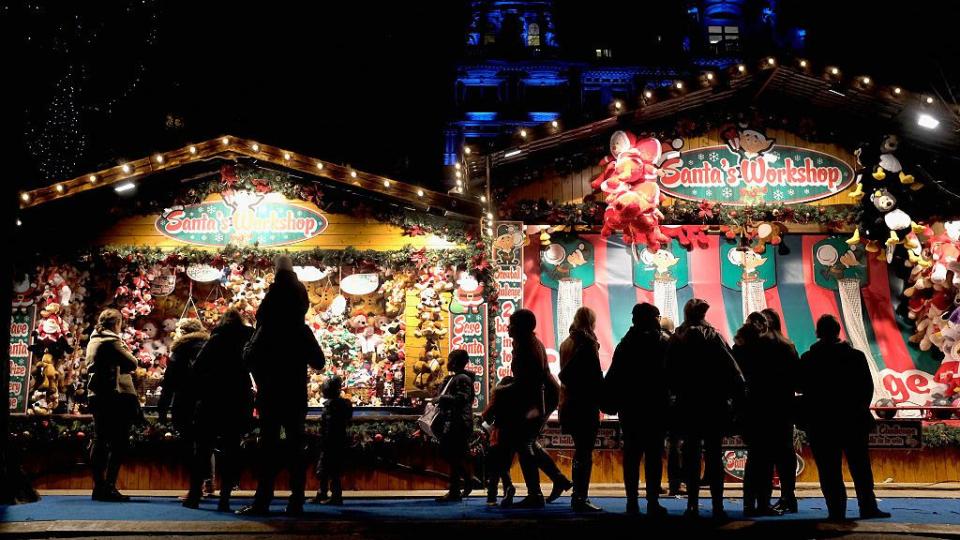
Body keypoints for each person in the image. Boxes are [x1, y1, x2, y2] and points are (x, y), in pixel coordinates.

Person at [238, 255, 325, 516]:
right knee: (294, 446)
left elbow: (247, 357)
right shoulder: (301, 329)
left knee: (269, 447)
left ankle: (263, 500)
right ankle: (296, 499)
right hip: (295, 395)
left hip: (271, 395)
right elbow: (318, 362)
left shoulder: (267, 327)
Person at [800, 315, 890, 522]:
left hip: (821, 422)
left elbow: (800, 387)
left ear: (818, 333)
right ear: (838, 331)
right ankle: (867, 506)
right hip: (852, 420)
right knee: (860, 467)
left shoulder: (808, 358)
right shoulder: (855, 356)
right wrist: (858, 409)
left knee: (828, 470)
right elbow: (867, 388)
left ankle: (836, 510)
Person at [668, 299, 744, 520]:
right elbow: (734, 372)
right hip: (713, 404)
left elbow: (667, 371)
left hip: (687, 403)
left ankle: (692, 504)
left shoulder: (677, 339)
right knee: (714, 455)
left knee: (691, 455)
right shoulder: (715, 337)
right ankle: (718, 505)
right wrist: (737, 401)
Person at [604, 303, 669, 516]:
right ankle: (652, 501)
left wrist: (611, 402)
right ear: (653, 319)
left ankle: (632, 502)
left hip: (630, 408)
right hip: (655, 407)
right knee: (653, 456)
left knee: (632, 456)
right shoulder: (662, 344)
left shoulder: (625, 345)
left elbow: (613, 377)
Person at [187, 309, 254, 512]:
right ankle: (224, 498)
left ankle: (195, 495)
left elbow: (197, 368)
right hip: (237, 400)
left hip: (212, 399)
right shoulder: (247, 341)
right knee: (231, 449)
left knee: (203, 449)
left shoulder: (215, 340)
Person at [506, 309, 571, 508]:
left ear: (519, 327)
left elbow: (533, 382)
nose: (508, 327)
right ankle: (559, 479)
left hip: (539, 398)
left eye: (511, 324)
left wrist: (534, 408)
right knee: (529, 441)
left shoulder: (528, 347)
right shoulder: (524, 343)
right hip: (540, 396)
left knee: (523, 443)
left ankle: (535, 494)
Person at [733, 312, 791, 516]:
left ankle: (749, 503)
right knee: (765, 461)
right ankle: (764, 503)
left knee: (754, 459)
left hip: (751, 412)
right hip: (772, 411)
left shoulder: (740, 351)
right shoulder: (772, 349)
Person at [85, 308, 140, 502]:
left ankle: (99, 485)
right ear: (117, 323)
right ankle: (109, 486)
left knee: (100, 440)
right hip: (113, 396)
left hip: (96, 394)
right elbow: (132, 363)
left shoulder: (93, 339)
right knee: (118, 441)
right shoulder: (112, 341)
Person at [157, 318, 210, 507]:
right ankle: (204, 486)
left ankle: (194, 490)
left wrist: (163, 407)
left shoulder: (180, 350)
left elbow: (170, 381)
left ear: (184, 332)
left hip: (185, 403)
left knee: (189, 447)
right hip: (207, 402)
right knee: (204, 446)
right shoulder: (210, 347)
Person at [558, 307, 604, 512]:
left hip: (569, 402)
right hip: (585, 404)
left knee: (580, 451)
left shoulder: (567, 342)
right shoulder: (587, 343)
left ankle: (578, 495)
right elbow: (594, 377)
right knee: (584, 452)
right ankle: (580, 496)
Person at [761, 308, 801, 514]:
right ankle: (788, 496)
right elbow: (798, 380)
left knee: (766, 453)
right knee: (785, 452)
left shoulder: (758, 346)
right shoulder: (788, 345)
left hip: (763, 405)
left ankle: (766, 499)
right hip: (783, 404)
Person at [434, 349, 476, 502]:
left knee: (452, 454)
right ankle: (466, 480)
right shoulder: (453, 378)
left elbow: (463, 398)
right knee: (449, 454)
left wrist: (442, 398)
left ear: (457, 362)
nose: (448, 362)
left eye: (450, 359)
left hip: (460, 422)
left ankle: (455, 490)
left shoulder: (463, 378)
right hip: (453, 421)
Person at [313, 375, 353, 506]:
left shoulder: (332, 406)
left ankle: (335, 496)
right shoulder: (343, 404)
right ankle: (323, 493)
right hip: (337, 439)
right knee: (327, 468)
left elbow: (329, 425)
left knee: (330, 468)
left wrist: (324, 439)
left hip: (331, 441)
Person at [480, 376, 517, 507]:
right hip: (515, 435)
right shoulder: (519, 397)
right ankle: (508, 489)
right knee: (504, 465)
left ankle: (492, 497)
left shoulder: (499, 394)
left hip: (499, 434)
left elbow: (486, 415)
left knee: (495, 467)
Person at [660, 316, 684, 497]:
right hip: (671, 400)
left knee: (651, 444)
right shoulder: (673, 343)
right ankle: (675, 483)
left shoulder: (647, 342)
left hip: (652, 401)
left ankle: (652, 484)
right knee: (674, 443)